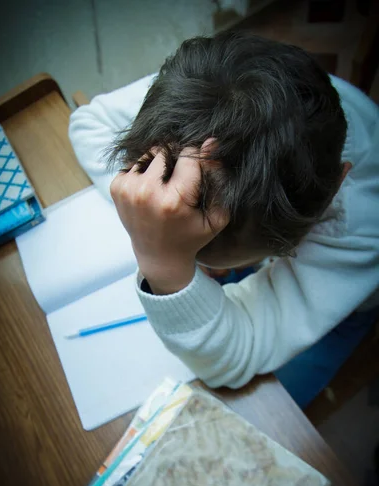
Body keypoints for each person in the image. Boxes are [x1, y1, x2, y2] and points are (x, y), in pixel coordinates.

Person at [69, 32, 379, 408]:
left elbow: (237, 356)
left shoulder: (364, 225)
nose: (200, 265)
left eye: (205, 260)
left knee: (256, 405)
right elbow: (89, 124)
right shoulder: (206, 92)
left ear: (335, 187)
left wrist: (165, 263)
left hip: (350, 288)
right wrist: (151, 203)